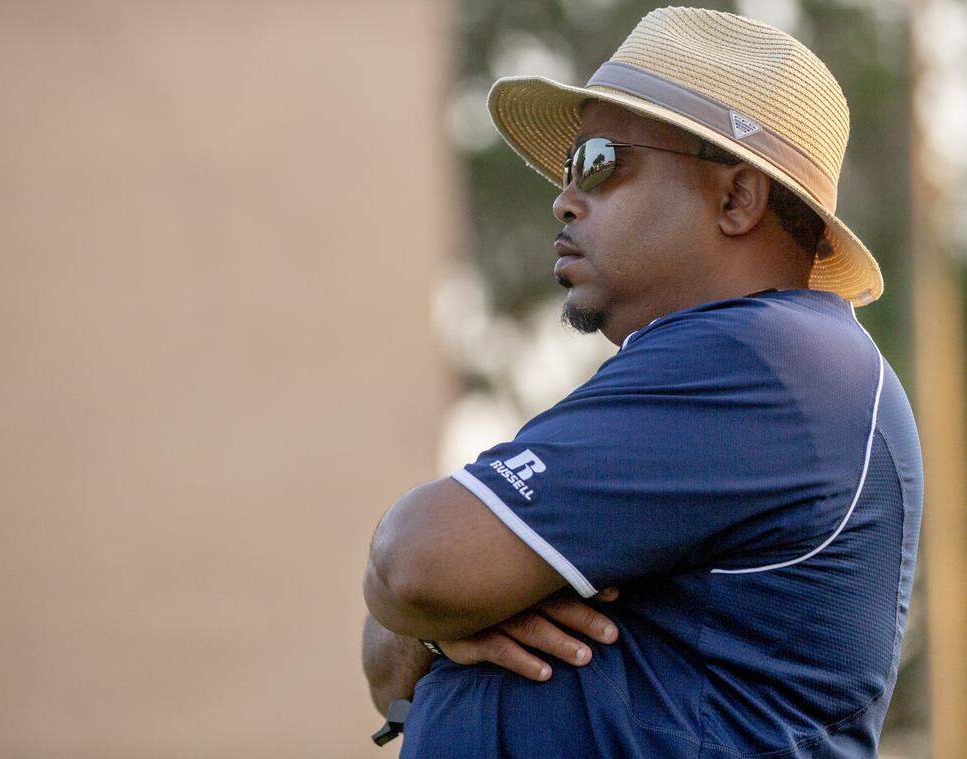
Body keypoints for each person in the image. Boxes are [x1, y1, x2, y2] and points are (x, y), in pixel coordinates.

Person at [361, 6, 923, 758]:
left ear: (735, 199)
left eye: (598, 160)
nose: (564, 197)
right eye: (567, 169)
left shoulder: (767, 362)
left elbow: (412, 562)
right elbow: (391, 640)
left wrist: (436, 607)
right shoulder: (718, 368)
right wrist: (435, 614)